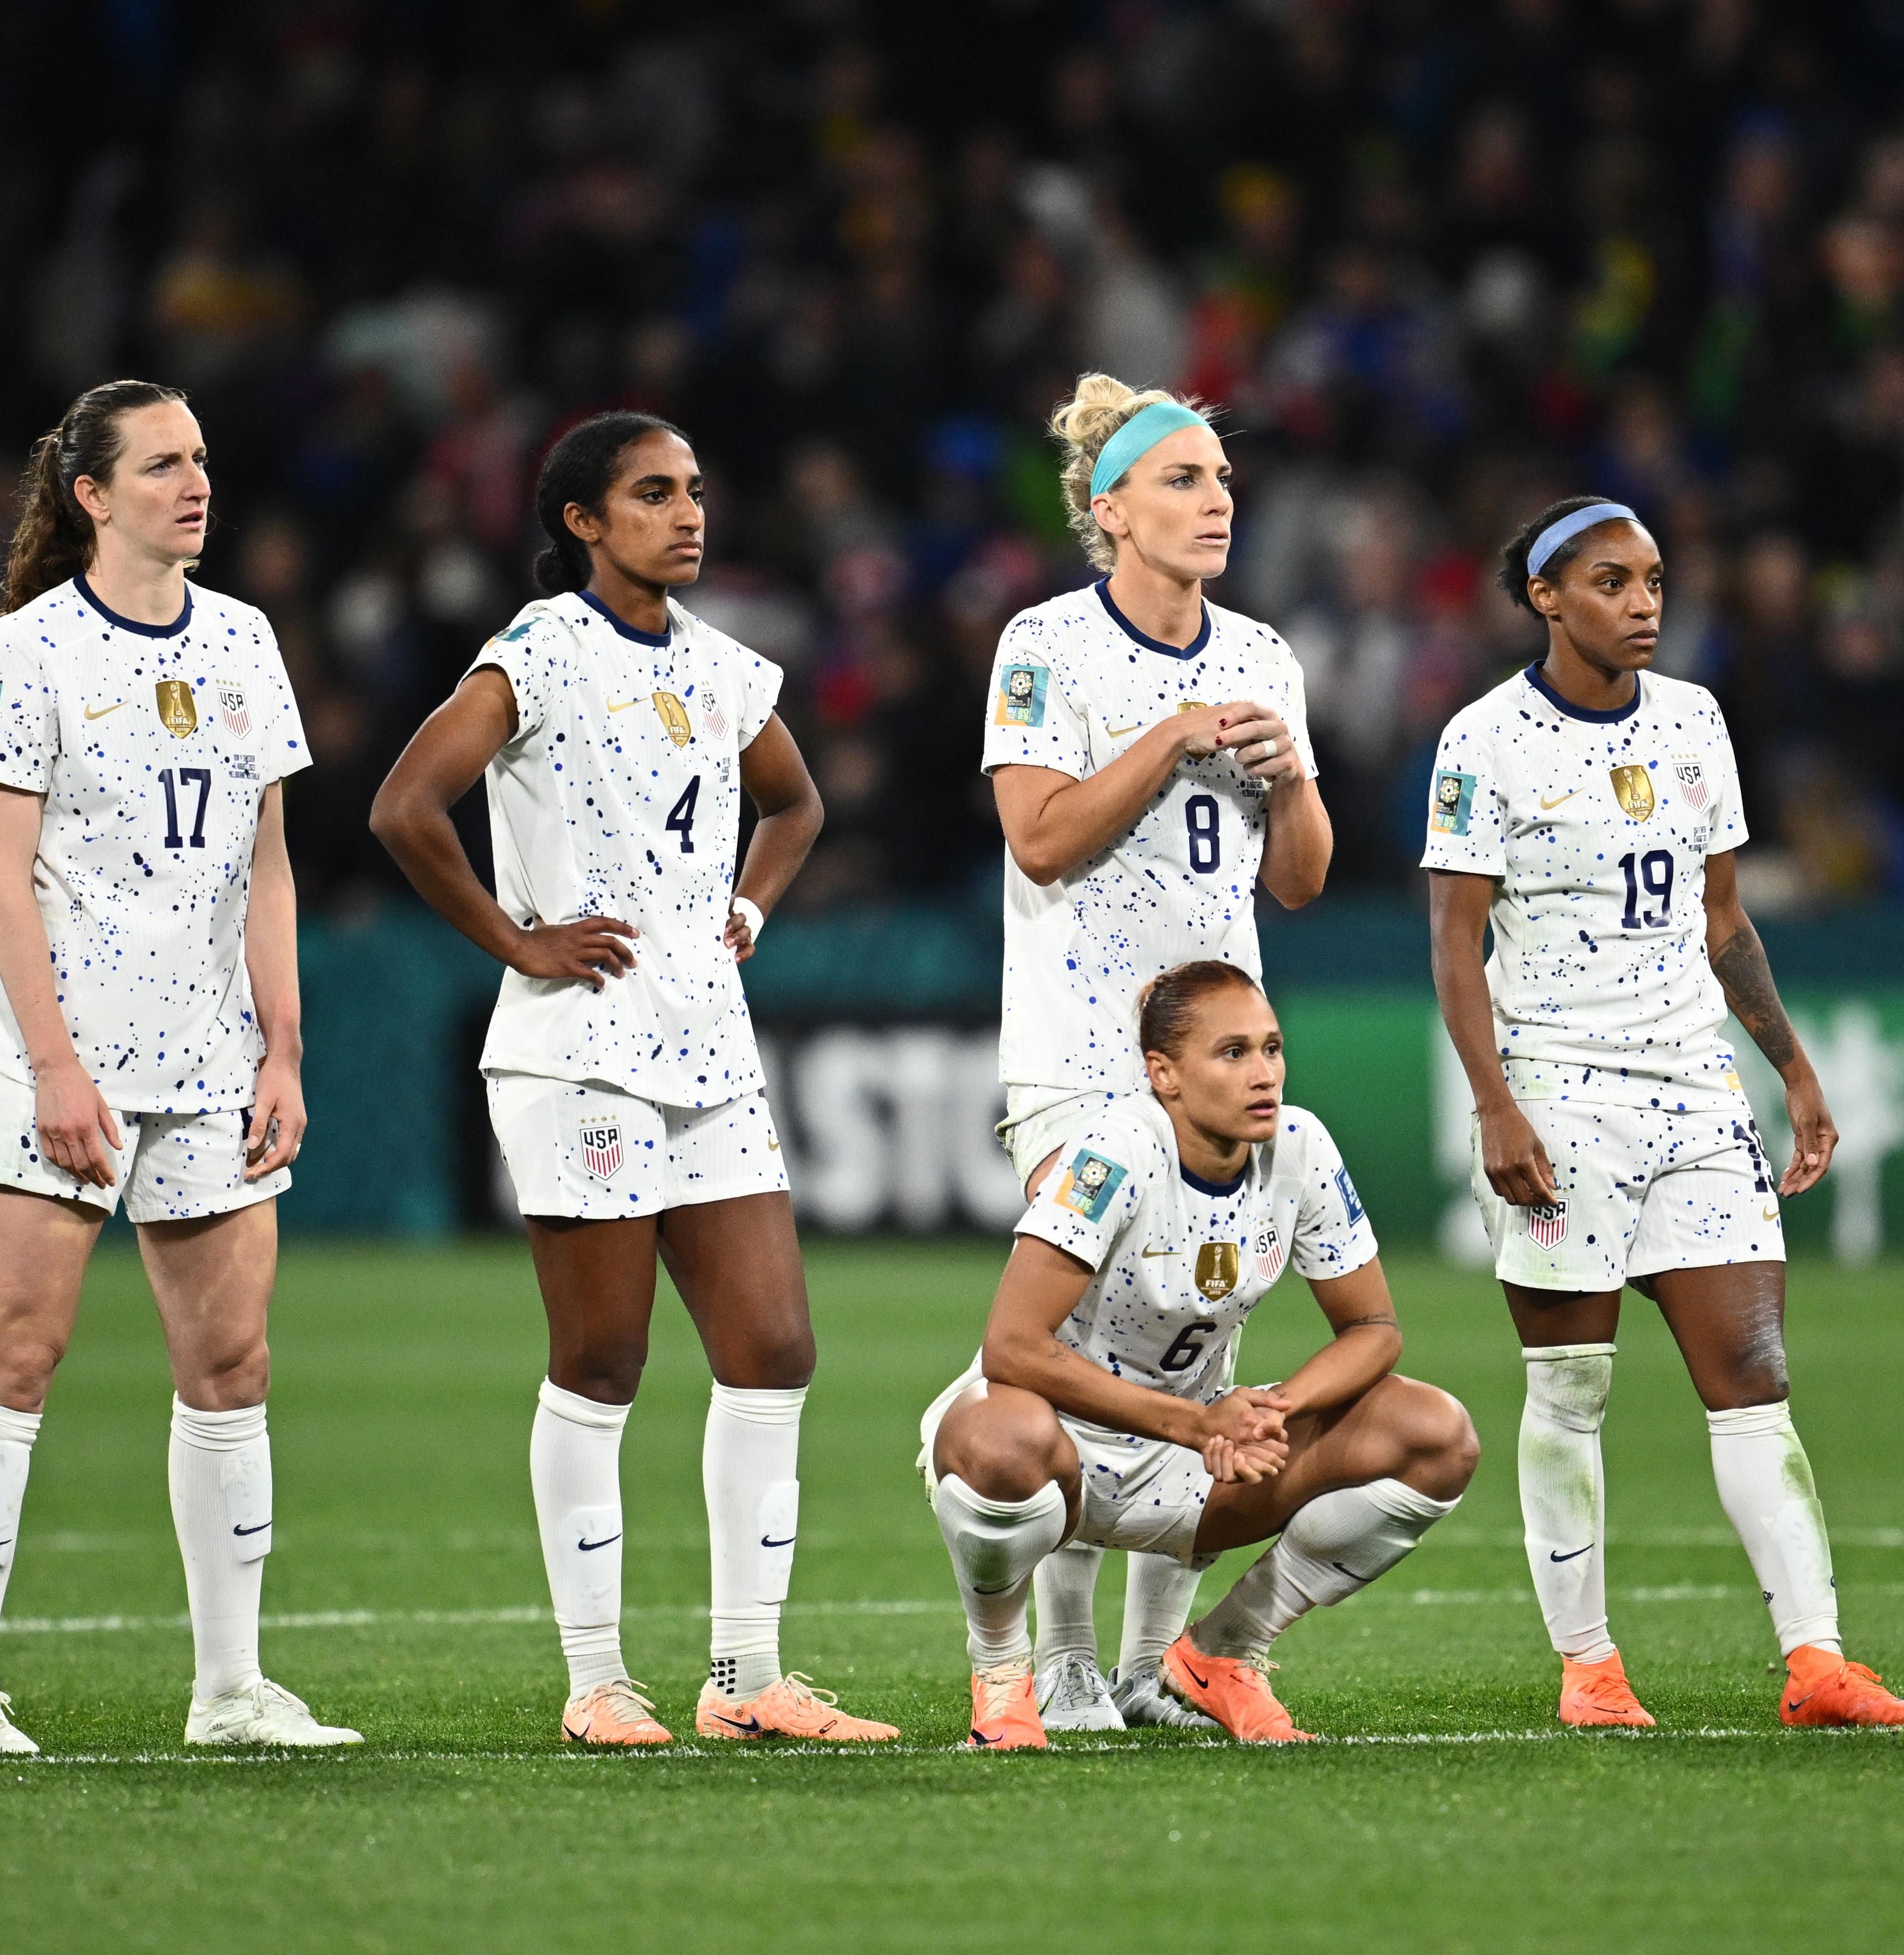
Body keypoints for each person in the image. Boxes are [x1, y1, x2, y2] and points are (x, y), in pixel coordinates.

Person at [371, 411, 897, 1750]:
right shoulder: (538, 651)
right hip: (578, 1047)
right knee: (603, 1359)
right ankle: (597, 1679)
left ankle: (746, 1675)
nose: (688, 513)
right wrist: (515, 938)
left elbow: (796, 806)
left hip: (705, 1038)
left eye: (696, 492)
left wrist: (750, 914)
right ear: (582, 523)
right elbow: (404, 806)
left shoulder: (724, 669)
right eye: (652, 494)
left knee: (774, 1346)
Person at [1422, 498, 1904, 1732]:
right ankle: (1589, 1668)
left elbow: (1723, 920)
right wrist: (1495, 1105)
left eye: (1652, 579)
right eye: (1611, 581)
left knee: (1753, 1374)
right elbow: (1451, 936)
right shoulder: (1485, 738)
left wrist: (1792, 1068)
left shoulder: (1696, 720)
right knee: (1573, 1386)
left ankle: (1817, 1664)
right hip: (1558, 1089)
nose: (1643, 601)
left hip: (1694, 1088)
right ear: (1546, 597)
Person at [0, 379, 355, 1757]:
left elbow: (269, 863)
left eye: (204, 460)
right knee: (16, 1354)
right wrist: (52, 1065)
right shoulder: (27, 649)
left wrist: (282, 1047)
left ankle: (230, 1689)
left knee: (230, 1364)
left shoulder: (242, 639)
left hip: (212, 1063)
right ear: (91, 495)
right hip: (73, 1064)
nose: (197, 482)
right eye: (164, 463)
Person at [979, 373, 1331, 1734]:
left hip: (1212, 1046)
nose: (1215, 500)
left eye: (1223, 481)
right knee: (1089, 1345)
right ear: (1108, 507)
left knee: (1199, 1331)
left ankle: (1148, 1668)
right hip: (1080, 1048)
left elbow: (1298, 881)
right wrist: (1170, 734)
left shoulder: (1262, 655)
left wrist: (1290, 775)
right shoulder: (1044, 643)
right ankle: (1063, 1660)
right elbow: (1043, 837)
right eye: (1182, 480)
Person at [918, 962, 1479, 1749]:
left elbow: (1373, 1328)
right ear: (1163, 1075)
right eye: (1233, 1053)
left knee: (1434, 1433)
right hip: (1060, 1444)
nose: (1264, 1074)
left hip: (1190, 1464)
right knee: (995, 1440)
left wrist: (1273, 1411)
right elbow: (1011, 1346)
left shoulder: (1300, 1147)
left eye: (1272, 1048)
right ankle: (1003, 1672)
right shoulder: (1110, 1154)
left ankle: (1221, 1652)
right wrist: (1194, 1421)